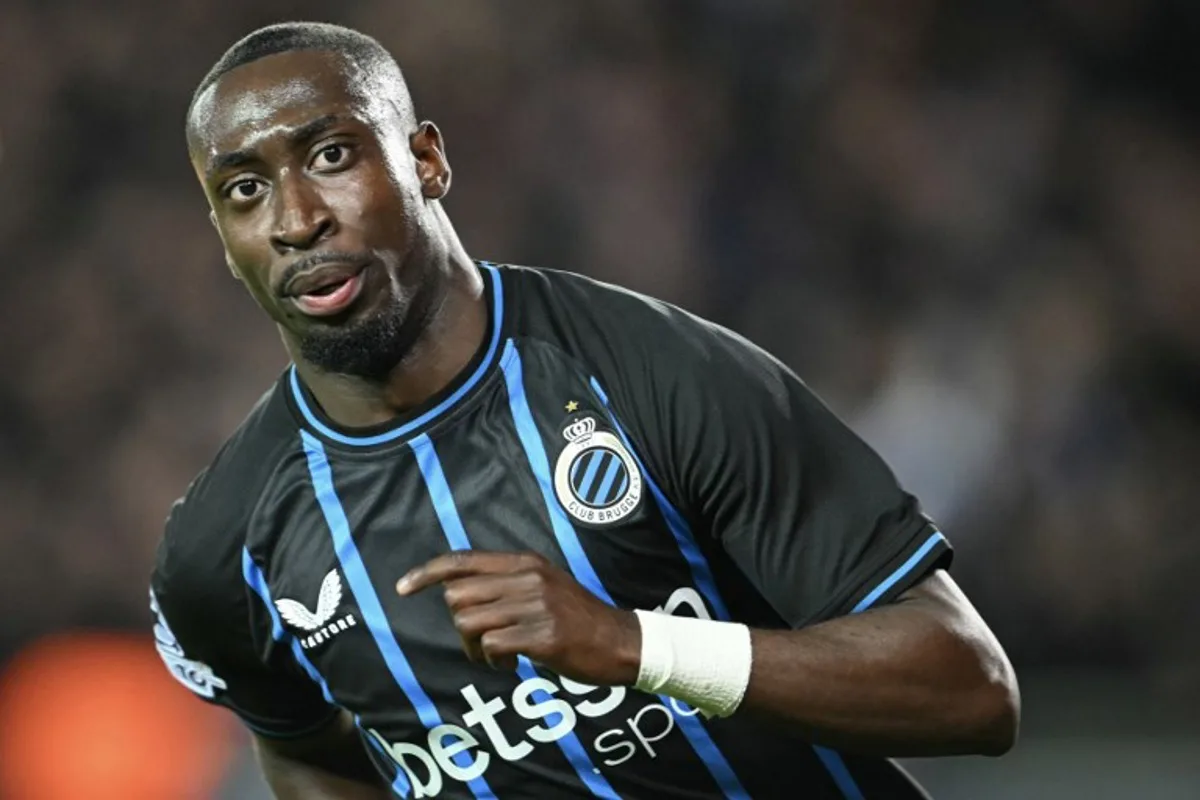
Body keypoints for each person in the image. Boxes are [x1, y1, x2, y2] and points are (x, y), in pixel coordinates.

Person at [150, 21, 1019, 800]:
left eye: (333, 156)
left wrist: (634, 647)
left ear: (425, 161)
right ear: (226, 243)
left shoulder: (650, 373)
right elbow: (308, 759)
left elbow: (970, 688)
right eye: (245, 191)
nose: (297, 218)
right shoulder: (226, 549)